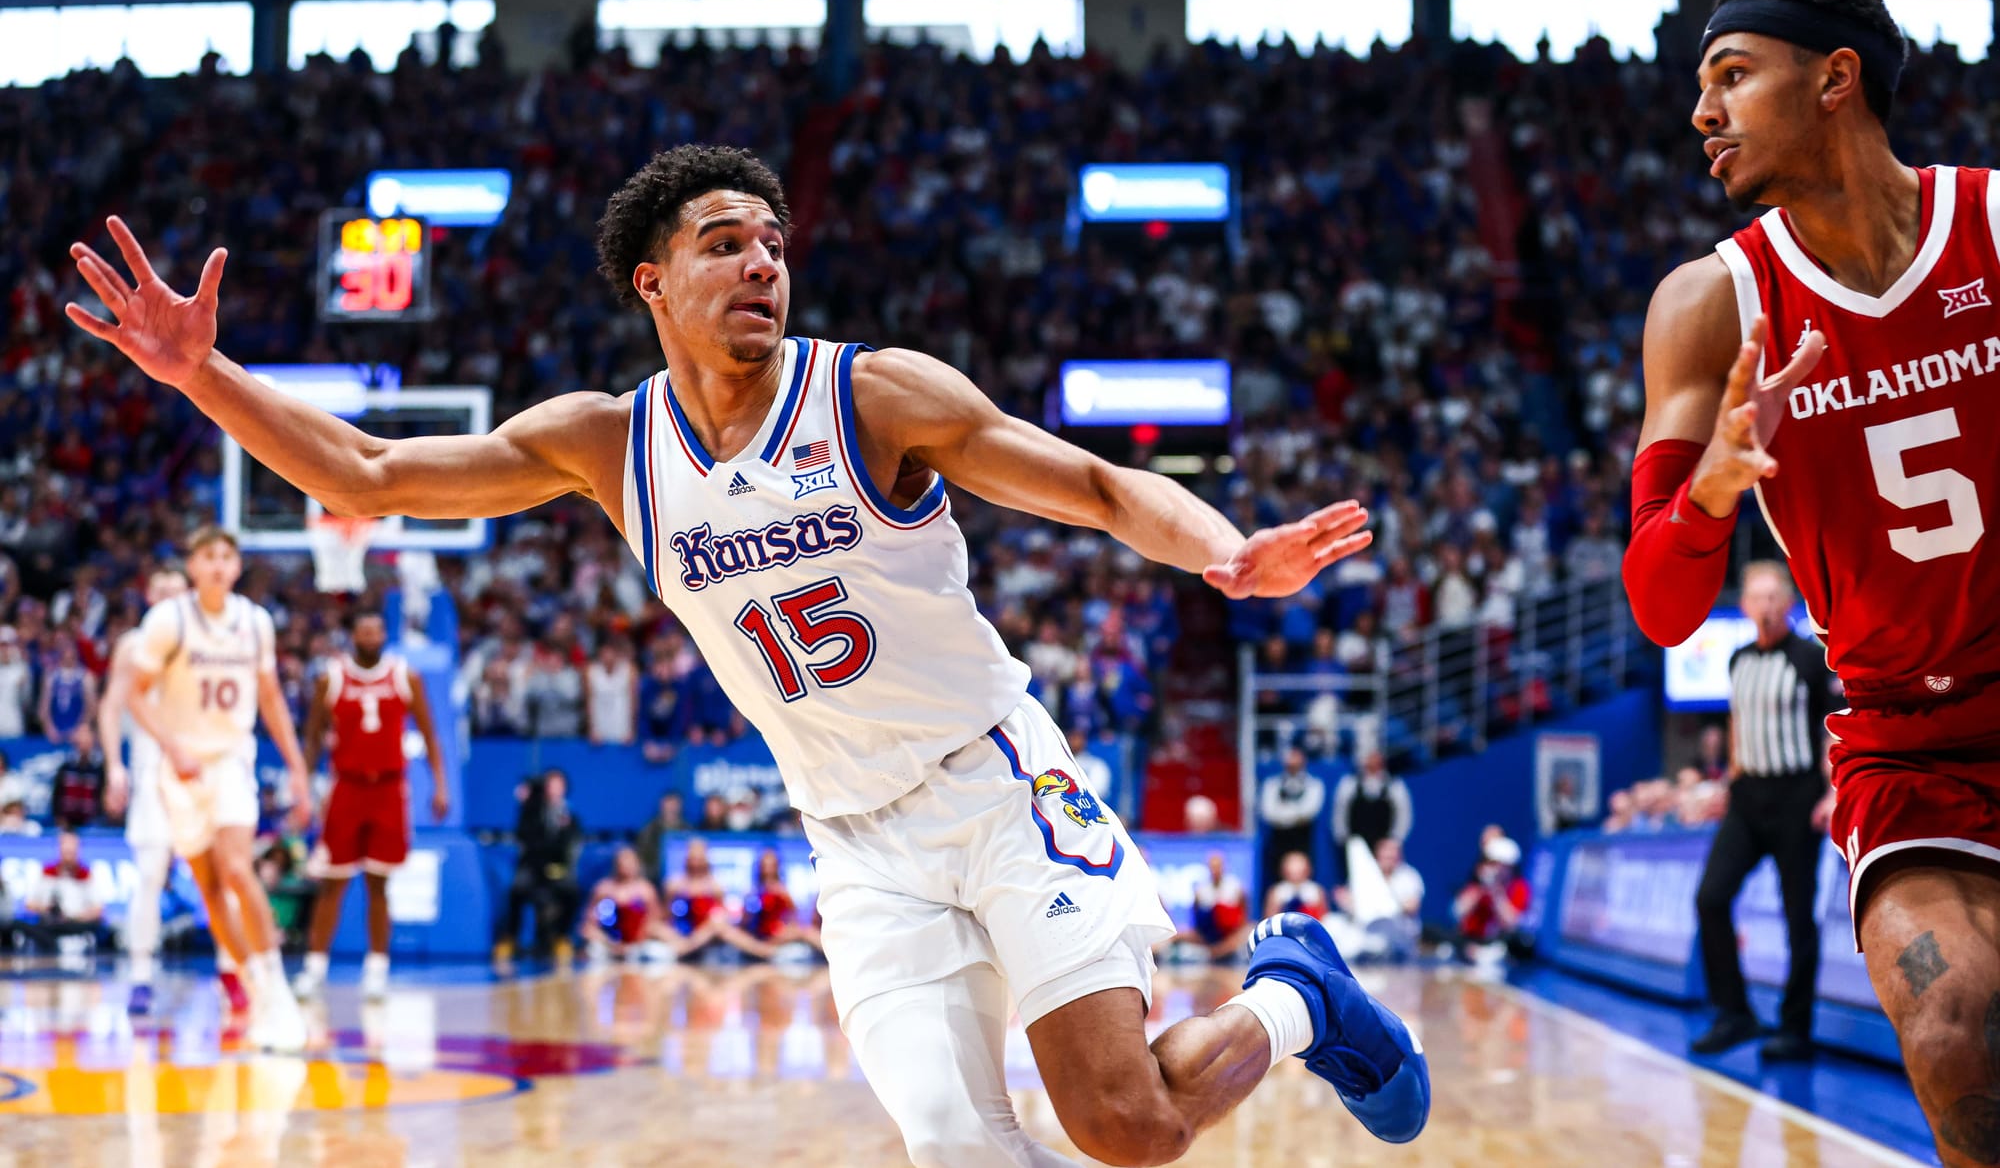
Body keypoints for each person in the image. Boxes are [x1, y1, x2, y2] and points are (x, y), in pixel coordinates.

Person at [68, 147, 1429, 1163]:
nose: (762, 263)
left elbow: (1090, 482)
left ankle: (1293, 994)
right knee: (960, 1147)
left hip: (996, 786)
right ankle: (1295, 997)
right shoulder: (609, 444)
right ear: (654, 281)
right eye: (724, 244)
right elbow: (367, 471)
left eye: (773, 242)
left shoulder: (871, 394)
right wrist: (200, 375)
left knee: (1124, 1125)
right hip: (856, 842)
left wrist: (1222, 549)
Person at [1621, 0, 2000, 1160]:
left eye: (1731, 75)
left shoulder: (1993, 226)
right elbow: (1659, 608)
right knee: (1949, 1030)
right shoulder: (1708, 305)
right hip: (1907, 743)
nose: (1701, 112)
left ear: (1834, 78)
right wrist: (1709, 492)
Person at [119, 526, 312, 1052]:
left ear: (237, 566)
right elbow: (135, 696)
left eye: (227, 556)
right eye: (208, 556)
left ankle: (277, 990)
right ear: (192, 567)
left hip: (230, 761)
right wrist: (172, 747)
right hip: (180, 768)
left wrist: (297, 766)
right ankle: (255, 990)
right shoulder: (168, 620)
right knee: (209, 889)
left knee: (237, 868)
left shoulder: (255, 622)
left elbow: (270, 698)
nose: (219, 565)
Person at [1690, 562, 1838, 1061]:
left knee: (1798, 916)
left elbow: (1831, 727)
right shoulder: (1738, 660)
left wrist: (1831, 793)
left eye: (1775, 596)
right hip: (1747, 799)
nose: (1767, 606)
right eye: (1758, 597)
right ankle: (1734, 1012)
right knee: (1711, 897)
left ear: (1790, 603)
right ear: (1746, 606)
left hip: (1798, 797)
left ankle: (1795, 1029)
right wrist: (1729, 781)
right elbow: (1737, 723)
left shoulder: (1810, 658)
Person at [100, 564, 254, 1019]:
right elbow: (111, 707)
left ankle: (231, 971)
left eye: (175, 589)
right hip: (153, 769)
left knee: (225, 875)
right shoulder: (133, 645)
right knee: (150, 874)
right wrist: (114, 765)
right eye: (160, 589)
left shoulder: (211, 638)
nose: (168, 596)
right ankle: (141, 976)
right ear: (148, 595)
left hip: (206, 770)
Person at [295, 612, 451, 1003]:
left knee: (379, 884)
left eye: (376, 630)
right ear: (352, 636)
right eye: (363, 631)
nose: (370, 636)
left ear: (384, 635)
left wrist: (440, 786)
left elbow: (430, 735)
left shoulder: (404, 676)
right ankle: (315, 968)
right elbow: (312, 739)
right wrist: (302, 788)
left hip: (388, 789)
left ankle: (377, 969)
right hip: (346, 787)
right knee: (332, 883)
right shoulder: (331, 678)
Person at [498, 769, 582, 961]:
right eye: (550, 785)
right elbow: (526, 837)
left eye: (558, 785)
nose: (554, 790)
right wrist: (528, 799)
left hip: (555, 868)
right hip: (533, 866)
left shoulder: (570, 816)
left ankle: (562, 937)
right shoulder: (531, 811)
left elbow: (568, 847)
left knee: (571, 891)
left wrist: (556, 859)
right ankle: (511, 937)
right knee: (517, 889)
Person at [16, 828, 107, 955]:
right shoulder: (46, 872)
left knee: (101, 928)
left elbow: (98, 909)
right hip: (50, 923)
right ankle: (51, 945)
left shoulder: (86, 875)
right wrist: (46, 908)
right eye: (65, 848)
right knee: (21, 925)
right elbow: (29, 904)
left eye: (72, 849)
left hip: (76, 923)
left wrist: (75, 917)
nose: (68, 852)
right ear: (59, 849)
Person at [1257, 746, 1325, 899]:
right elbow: (1269, 813)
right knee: (1279, 890)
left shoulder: (1314, 784)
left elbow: (1309, 812)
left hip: (1303, 842)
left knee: (1307, 891)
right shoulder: (1272, 784)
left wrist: (1283, 812)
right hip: (1279, 844)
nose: (1293, 763)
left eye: (1296, 758)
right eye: (1290, 758)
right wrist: (1295, 813)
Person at [581, 845, 666, 963]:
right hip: (607, 946)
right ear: (616, 864)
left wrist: (637, 941)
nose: (626, 865)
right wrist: (609, 942)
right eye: (622, 861)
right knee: (593, 951)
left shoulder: (646, 890)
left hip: (639, 946)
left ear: (637, 864)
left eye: (629, 862)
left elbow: (655, 922)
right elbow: (589, 925)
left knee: (659, 954)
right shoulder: (603, 889)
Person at [1452, 835, 1530, 963]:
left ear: (1511, 867)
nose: (1496, 869)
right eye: (1491, 863)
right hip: (1472, 940)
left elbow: (1511, 924)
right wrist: (1480, 889)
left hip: (1500, 945)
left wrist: (1497, 894)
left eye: (1500, 865)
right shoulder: (1478, 885)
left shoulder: (1519, 887)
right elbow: (1457, 912)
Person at [1331, 748, 1412, 869]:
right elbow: (1339, 812)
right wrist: (1344, 840)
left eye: (1376, 756)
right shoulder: (1349, 783)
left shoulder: (1394, 784)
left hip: (1384, 846)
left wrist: (1395, 841)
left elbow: (1403, 814)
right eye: (1369, 757)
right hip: (1355, 845)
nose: (1373, 760)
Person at [48, 722, 107, 830]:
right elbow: (56, 797)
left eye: (86, 734)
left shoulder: (100, 769)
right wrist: (60, 820)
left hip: (93, 827)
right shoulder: (66, 768)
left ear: (93, 738)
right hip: (66, 826)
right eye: (80, 734)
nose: (83, 739)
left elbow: (103, 800)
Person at [38, 637, 96, 742]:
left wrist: (82, 726)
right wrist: (49, 727)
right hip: (55, 731)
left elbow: (91, 706)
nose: (68, 656)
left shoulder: (85, 677)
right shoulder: (52, 676)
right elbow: (44, 706)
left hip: (78, 732)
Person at [635, 791, 688, 885]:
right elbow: (641, 859)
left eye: (675, 804)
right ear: (661, 805)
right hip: (655, 880)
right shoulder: (649, 830)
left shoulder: (688, 830)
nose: (671, 808)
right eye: (668, 803)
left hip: (683, 880)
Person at [1263, 851, 1328, 920]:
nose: (1296, 869)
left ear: (1308, 868)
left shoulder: (1316, 890)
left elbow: (1323, 918)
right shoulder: (1276, 891)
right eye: (1292, 865)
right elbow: (1269, 918)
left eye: (1299, 865)